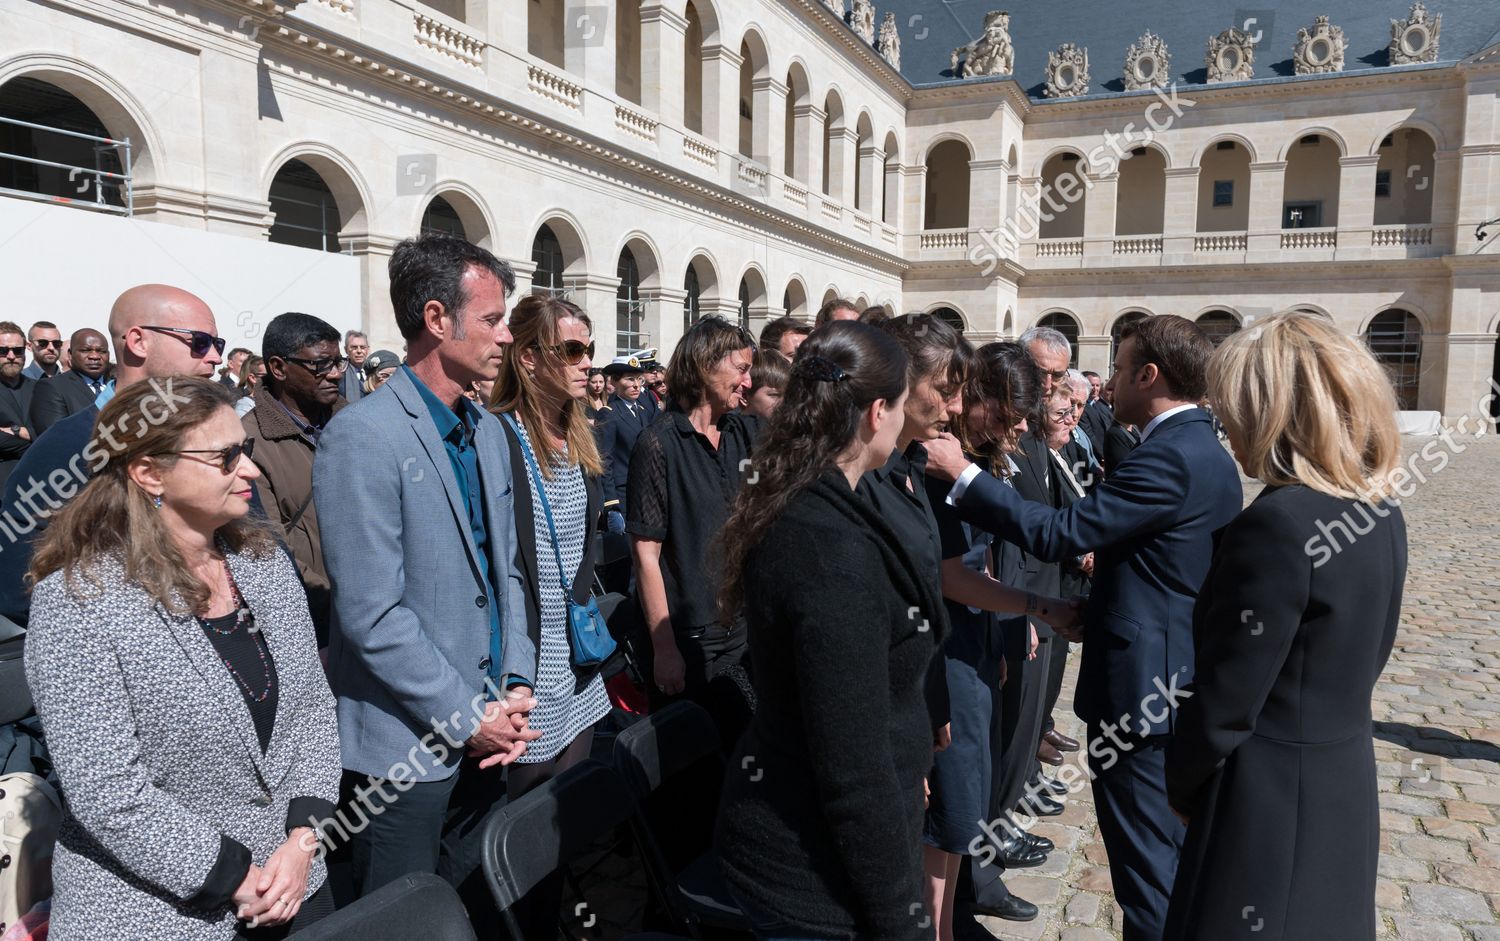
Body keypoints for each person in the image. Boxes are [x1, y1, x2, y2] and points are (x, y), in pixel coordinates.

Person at [925, 314, 1243, 941]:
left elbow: (1058, 532)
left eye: (1120, 369)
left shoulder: (1170, 455)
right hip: (1167, 687)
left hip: (1144, 697)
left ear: (1149, 375)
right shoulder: (1200, 449)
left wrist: (963, 473)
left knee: (1148, 875)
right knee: (1158, 866)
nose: (1107, 383)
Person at [23, 377, 341, 940]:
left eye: (244, 450)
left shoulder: (261, 562)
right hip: (158, 915)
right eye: (225, 457)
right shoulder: (80, 599)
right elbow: (107, 790)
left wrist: (301, 842)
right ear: (150, 473)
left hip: (295, 887)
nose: (249, 470)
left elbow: (312, 710)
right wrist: (234, 874)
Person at [1164, 312, 1407, 940]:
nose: (1224, 427)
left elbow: (1226, 700)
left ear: (1271, 411)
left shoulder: (1279, 524)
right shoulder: (1377, 509)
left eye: (1231, 410)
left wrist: (1183, 784)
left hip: (1264, 798)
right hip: (1339, 780)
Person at [312, 234, 538, 909]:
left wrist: (518, 680)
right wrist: (467, 714)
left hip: (493, 729)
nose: (505, 339)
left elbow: (510, 575)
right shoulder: (364, 435)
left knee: (472, 902)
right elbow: (371, 615)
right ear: (438, 319)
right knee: (401, 917)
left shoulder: (490, 429)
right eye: (493, 320)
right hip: (405, 750)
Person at [714, 321, 935, 941]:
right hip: (811, 874)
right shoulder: (827, 547)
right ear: (877, 412)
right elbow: (851, 766)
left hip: (828, 844)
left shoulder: (824, 497)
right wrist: (902, 916)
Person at [924, 341, 1078, 934]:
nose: (1017, 427)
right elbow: (955, 574)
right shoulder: (939, 466)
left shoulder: (973, 457)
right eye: (1008, 412)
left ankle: (957, 908)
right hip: (948, 649)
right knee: (949, 806)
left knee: (970, 797)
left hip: (979, 641)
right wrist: (1038, 608)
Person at [0, 284, 225, 625]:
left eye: (217, 344)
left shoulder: (217, 436)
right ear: (138, 342)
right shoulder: (71, 444)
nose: (215, 357)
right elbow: (18, 581)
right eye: (200, 342)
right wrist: (120, 641)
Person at [627, 316, 759, 740]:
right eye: (741, 369)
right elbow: (646, 555)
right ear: (705, 366)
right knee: (693, 776)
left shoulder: (746, 432)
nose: (749, 381)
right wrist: (664, 649)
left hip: (743, 630)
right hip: (689, 640)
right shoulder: (659, 443)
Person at [242, 313, 348, 647]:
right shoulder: (249, 442)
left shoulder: (357, 422)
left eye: (338, 362)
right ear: (278, 368)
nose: (334, 374)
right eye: (320, 365)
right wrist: (338, 603)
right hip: (312, 628)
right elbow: (269, 551)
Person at [596, 355, 652, 533]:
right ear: (614, 382)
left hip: (644, 492)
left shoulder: (643, 412)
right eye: (630, 379)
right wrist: (611, 503)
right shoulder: (609, 414)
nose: (636, 385)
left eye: (639, 379)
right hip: (623, 495)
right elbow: (605, 460)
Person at [30, 329, 109, 436]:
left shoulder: (117, 384)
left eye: (102, 351)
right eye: (85, 350)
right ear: (70, 355)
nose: (95, 356)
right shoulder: (51, 388)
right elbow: (57, 436)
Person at [0, 320, 37, 488]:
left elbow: (51, 429)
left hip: (39, 482)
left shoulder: (40, 388)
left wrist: (14, 431)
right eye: (3, 351)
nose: (11, 356)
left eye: (17, 350)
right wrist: (34, 441)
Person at [744, 348, 789, 420]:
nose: (784, 403)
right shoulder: (730, 428)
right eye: (774, 395)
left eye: (788, 396)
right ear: (745, 396)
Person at [338, 331, 369, 402]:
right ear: (346, 350)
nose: (359, 351)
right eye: (354, 347)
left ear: (367, 349)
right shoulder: (340, 373)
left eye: (362, 347)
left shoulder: (375, 372)